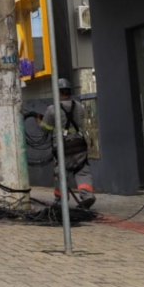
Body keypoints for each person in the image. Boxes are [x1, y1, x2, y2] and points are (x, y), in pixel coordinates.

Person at [38, 78, 95, 209]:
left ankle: (60, 200)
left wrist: (39, 121)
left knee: (61, 173)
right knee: (82, 171)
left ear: (57, 92)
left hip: (63, 147)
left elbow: (45, 128)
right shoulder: (79, 106)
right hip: (79, 144)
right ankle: (87, 195)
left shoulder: (52, 109)